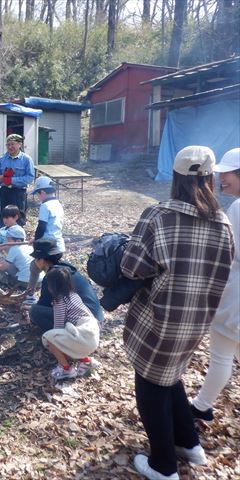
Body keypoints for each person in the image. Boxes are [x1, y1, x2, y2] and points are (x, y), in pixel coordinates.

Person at [120, 146, 233, 480]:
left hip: (159, 320)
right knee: (170, 376)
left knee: (150, 384)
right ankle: (190, 445)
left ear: (177, 177)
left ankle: (163, 466)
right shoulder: (223, 224)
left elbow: (131, 268)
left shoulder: (159, 216)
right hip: (197, 322)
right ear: (210, 178)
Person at [191, 147, 240, 422]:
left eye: (228, 174)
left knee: (221, 354)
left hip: (235, 294)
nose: (222, 179)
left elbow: (227, 251)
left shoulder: (238, 207)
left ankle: (201, 406)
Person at [27, 238, 103, 332]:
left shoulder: (52, 276)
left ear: (42, 260)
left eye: (36, 259)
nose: (35, 262)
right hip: (95, 318)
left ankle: (62, 338)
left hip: (83, 323)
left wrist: (31, 314)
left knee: (35, 311)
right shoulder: (66, 267)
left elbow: (44, 304)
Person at [41, 267, 100, 381]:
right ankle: (85, 361)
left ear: (53, 286)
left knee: (51, 339)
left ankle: (66, 369)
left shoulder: (60, 301)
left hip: (83, 335)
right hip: (92, 334)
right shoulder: (73, 295)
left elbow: (57, 327)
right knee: (69, 338)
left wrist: (51, 344)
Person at [25, 176, 65, 305]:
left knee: (40, 270)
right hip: (58, 245)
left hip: (48, 246)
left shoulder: (45, 206)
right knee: (45, 271)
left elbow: (41, 226)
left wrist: (36, 242)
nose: (38, 197)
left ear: (42, 192)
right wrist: (35, 239)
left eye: (38, 194)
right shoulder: (58, 204)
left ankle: (35, 298)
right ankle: (55, 299)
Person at [0, 134, 35, 226]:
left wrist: (12, 180)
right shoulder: (2, 159)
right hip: (4, 192)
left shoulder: (26, 159)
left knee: (18, 217)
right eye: (8, 145)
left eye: (12, 144)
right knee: (2, 215)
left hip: (18, 193)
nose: (10, 147)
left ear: (19, 144)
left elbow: (30, 177)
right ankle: (2, 237)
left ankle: (18, 237)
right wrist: (2, 177)